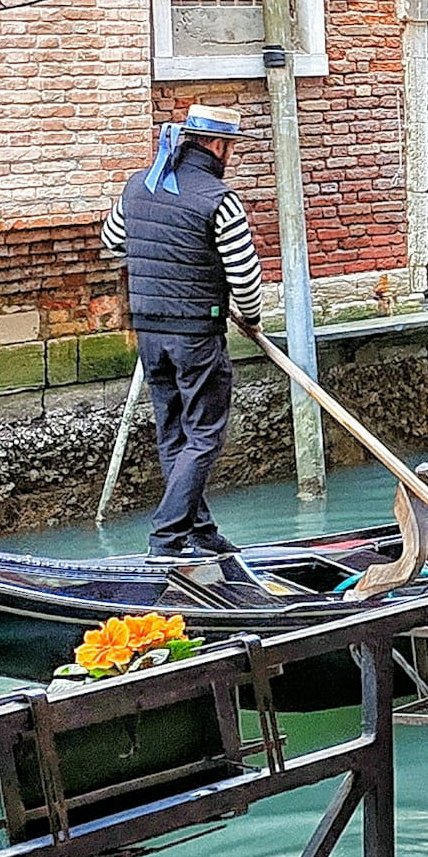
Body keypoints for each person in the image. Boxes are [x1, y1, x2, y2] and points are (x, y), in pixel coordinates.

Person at [100, 102, 265, 563]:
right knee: (204, 434)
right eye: (229, 146)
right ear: (216, 145)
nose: (229, 154)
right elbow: (244, 276)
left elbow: (113, 241)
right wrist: (251, 318)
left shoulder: (137, 186)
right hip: (196, 333)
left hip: (149, 331)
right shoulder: (219, 199)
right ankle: (167, 539)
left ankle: (201, 532)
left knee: (173, 431)